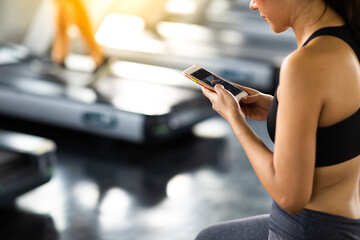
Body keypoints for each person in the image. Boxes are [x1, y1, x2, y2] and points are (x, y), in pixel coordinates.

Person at [195, 0, 360, 239]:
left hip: (308, 230)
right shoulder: (347, 38)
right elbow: (339, 125)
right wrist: (279, 108)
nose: (252, 5)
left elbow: (289, 196)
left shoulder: (305, 64)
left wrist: (235, 119)